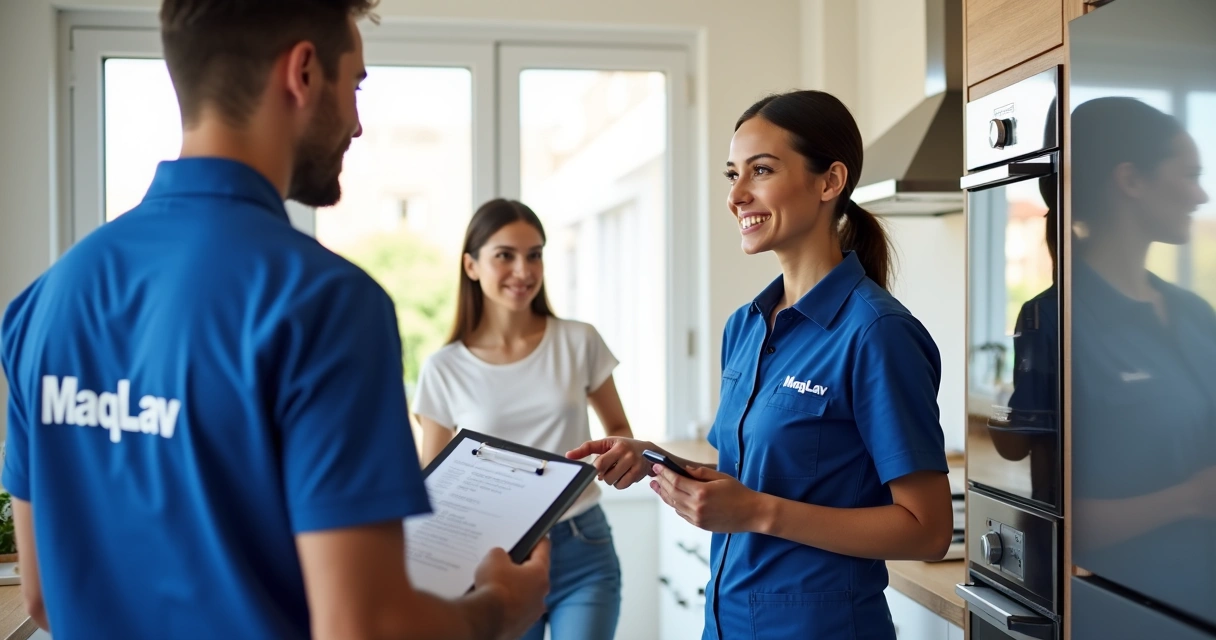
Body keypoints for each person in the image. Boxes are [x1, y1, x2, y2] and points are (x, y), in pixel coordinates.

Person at [0, 2, 548, 639]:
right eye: (356, 87)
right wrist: (500, 609)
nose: (358, 124)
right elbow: (365, 628)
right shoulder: (325, 303)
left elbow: (42, 594)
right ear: (305, 73)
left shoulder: (43, 302)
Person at [567, 90, 953, 639]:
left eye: (761, 170)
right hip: (728, 624)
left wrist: (755, 513)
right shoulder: (745, 327)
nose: (737, 195)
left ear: (829, 181)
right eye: (732, 175)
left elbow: (927, 530)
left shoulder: (876, 333)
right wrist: (656, 460)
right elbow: (752, 480)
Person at [413, 198, 633, 640]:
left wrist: (618, 458)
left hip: (583, 543)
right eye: (505, 256)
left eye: (535, 255)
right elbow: (434, 486)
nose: (523, 270)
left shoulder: (578, 341)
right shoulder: (444, 368)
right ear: (471, 266)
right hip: (495, 558)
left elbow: (619, 431)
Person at [1066, 96, 1215, 615]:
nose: (1202, 194)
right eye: (1190, 174)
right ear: (1130, 180)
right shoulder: (1061, 320)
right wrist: (1190, 499)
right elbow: (1059, 519)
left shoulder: (1195, 313)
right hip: (1126, 607)